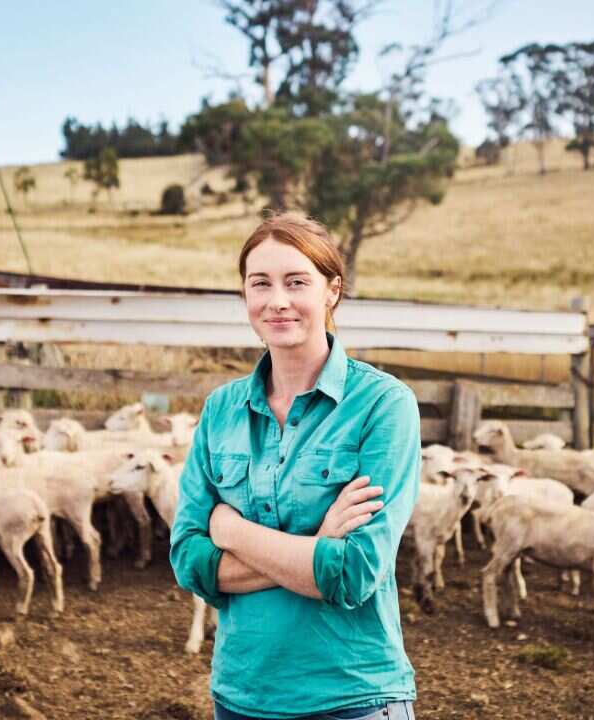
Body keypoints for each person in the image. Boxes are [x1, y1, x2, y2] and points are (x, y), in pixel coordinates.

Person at [170, 211, 421, 720]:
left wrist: (230, 529)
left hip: (351, 697)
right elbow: (189, 563)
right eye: (260, 283)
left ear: (332, 290)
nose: (277, 300)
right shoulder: (222, 409)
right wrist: (313, 548)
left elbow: (352, 573)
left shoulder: (382, 405)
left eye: (296, 282)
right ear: (245, 295)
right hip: (241, 695)